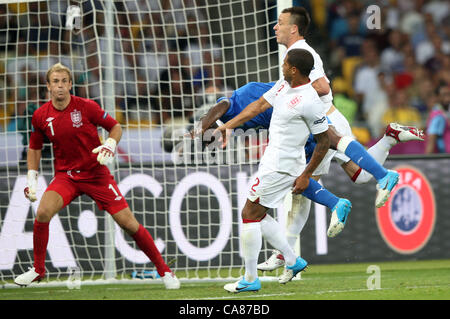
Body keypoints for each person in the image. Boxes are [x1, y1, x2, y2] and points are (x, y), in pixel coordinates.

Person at [221, 6, 423, 276]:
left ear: (293, 28)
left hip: (322, 118)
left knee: (305, 182)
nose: (274, 26)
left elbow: (323, 87)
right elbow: (267, 101)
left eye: (279, 22)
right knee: (347, 177)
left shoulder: (306, 55)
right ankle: (389, 141)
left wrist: (296, 93)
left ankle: (287, 253)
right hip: (318, 120)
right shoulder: (296, 56)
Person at [14, 63, 180, 290]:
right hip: (66, 176)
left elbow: (115, 127)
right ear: (48, 86)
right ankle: (38, 270)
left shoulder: (86, 107)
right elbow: (34, 148)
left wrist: (110, 145)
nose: (60, 86)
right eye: (55, 82)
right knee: (42, 212)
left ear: (70, 84)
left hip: (96, 174)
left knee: (128, 223)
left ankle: (165, 271)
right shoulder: (41, 115)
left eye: (64, 81)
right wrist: (31, 179)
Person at [221, 49, 345, 293]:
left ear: (294, 69)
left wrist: (307, 173)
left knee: (249, 214)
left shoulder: (310, 100)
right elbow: (258, 105)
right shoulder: (282, 86)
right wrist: (227, 126)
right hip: (275, 161)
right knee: (258, 213)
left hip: (282, 165)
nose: (282, 64)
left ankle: (250, 278)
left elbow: (322, 141)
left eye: (286, 63)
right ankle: (292, 259)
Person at [425, 83, 450, 153]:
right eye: (444, 95)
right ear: (437, 97)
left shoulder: (446, 112)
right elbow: (432, 138)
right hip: (444, 158)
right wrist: (426, 160)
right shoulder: (438, 115)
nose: (448, 98)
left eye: (449, 94)